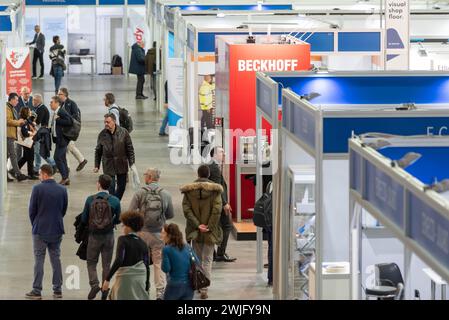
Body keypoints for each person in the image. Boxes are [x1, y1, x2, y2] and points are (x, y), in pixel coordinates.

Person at [128, 167, 174, 299]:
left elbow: (130, 212)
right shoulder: (165, 194)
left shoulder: (140, 193)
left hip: (142, 233)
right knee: (158, 262)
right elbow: (170, 214)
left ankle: (142, 288)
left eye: (145, 175)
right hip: (159, 234)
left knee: (140, 262)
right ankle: (160, 291)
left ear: (149, 177)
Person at [180, 165, 223, 300]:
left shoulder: (188, 191)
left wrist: (198, 225)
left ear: (198, 174)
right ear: (209, 174)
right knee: (208, 259)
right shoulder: (215, 191)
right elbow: (217, 210)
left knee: (196, 259)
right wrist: (208, 226)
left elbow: (187, 210)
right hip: (210, 231)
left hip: (195, 231)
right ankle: (205, 288)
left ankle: (198, 285)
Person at [26, 164, 68, 300]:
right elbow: (63, 209)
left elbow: (32, 210)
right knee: (56, 259)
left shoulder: (37, 188)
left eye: (39, 174)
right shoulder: (62, 189)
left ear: (44, 174)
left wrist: (36, 224)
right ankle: (57, 290)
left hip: (40, 229)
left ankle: (37, 290)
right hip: (56, 229)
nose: (39, 177)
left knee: (39, 259)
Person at [81, 174, 121, 300]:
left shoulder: (90, 200)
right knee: (107, 264)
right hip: (108, 235)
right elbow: (118, 219)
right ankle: (105, 289)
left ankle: (94, 284)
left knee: (91, 262)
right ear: (110, 185)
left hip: (93, 236)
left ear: (98, 184)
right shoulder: (115, 200)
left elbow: (83, 218)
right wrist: (110, 223)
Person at [102, 211, 150, 300]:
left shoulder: (123, 240)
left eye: (124, 225)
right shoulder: (143, 244)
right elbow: (147, 266)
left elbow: (119, 259)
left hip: (125, 278)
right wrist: (147, 286)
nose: (123, 228)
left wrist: (107, 279)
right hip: (140, 279)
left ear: (129, 226)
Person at [94, 113, 135, 200]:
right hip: (108, 165)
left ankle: (115, 202)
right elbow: (98, 151)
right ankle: (112, 205)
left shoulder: (124, 132)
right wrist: (96, 165)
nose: (106, 124)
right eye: (105, 122)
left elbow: (130, 149)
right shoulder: (102, 135)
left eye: (108, 122)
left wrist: (132, 163)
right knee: (110, 188)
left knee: (122, 187)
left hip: (121, 164)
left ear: (114, 121)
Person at [208, 147, 236, 262]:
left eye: (224, 152)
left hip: (215, 203)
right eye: (221, 152)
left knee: (216, 226)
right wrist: (225, 203)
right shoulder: (214, 168)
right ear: (214, 154)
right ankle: (220, 253)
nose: (224, 154)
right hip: (218, 204)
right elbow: (218, 188)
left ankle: (216, 253)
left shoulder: (213, 166)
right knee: (226, 226)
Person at [161, 223, 197, 300]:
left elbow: (166, 269)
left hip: (174, 285)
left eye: (163, 233)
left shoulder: (166, 249)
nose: (161, 235)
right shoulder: (188, 247)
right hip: (189, 286)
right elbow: (197, 262)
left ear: (169, 235)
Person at [58, 88, 88, 172]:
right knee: (67, 147)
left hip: (70, 129)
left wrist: (66, 119)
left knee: (68, 146)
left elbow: (76, 116)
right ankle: (73, 164)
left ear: (65, 95)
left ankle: (79, 161)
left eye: (60, 94)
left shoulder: (71, 103)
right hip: (64, 128)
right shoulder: (61, 104)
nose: (58, 95)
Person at [50, 95, 72, 185]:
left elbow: (69, 121)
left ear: (57, 103)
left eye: (51, 102)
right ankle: (66, 178)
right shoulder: (56, 111)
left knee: (57, 157)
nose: (50, 104)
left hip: (63, 139)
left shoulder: (61, 111)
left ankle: (64, 177)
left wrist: (58, 120)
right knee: (62, 158)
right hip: (59, 139)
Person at [32, 94, 57, 175]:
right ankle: (37, 167)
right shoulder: (38, 108)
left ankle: (52, 164)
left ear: (38, 101)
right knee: (38, 151)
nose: (33, 101)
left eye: (34, 100)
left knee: (40, 151)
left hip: (41, 133)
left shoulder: (41, 109)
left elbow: (38, 122)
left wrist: (31, 121)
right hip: (40, 132)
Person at [6, 93, 28, 182]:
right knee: (13, 155)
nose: (17, 101)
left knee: (8, 156)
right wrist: (18, 122)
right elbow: (7, 121)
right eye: (16, 99)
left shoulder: (11, 108)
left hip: (10, 135)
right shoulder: (7, 108)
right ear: (11, 99)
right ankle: (18, 174)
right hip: (8, 135)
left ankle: (6, 175)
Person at [17, 107, 39, 180]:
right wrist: (32, 134)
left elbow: (31, 122)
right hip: (27, 141)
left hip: (27, 142)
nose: (30, 112)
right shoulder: (24, 121)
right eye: (29, 111)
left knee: (25, 157)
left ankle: (14, 169)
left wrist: (33, 121)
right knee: (30, 157)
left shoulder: (27, 120)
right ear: (26, 113)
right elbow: (25, 133)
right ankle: (31, 174)